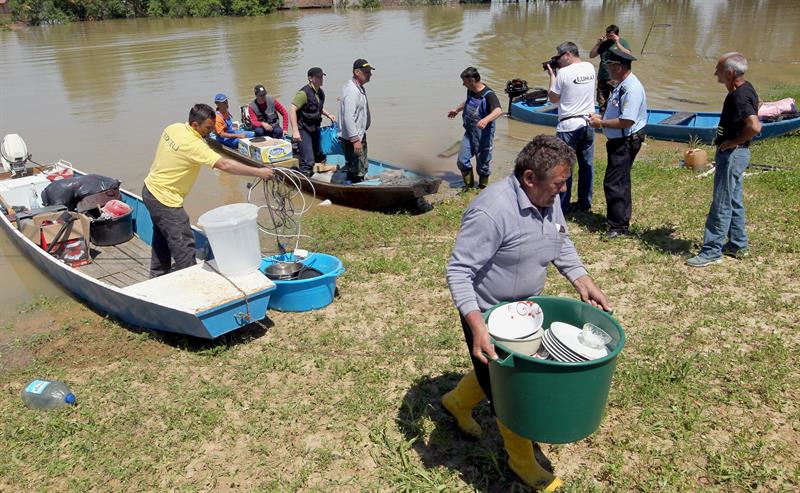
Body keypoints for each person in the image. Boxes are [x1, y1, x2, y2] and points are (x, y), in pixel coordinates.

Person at [444, 135, 610, 491]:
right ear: (530, 178)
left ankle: (456, 402)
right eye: (559, 183)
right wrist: (478, 327)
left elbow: (560, 240)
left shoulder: (547, 199)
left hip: (528, 310)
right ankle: (521, 461)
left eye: (566, 182)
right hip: (489, 314)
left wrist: (583, 280)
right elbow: (459, 271)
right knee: (511, 391)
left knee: (497, 374)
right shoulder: (491, 211)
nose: (564, 191)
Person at [143, 104, 275, 278]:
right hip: (165, 199)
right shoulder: (195, 145)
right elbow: (224, 164)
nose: (211, 132)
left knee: (161, 237)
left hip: (149, 190)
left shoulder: (173, 128)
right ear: (195, 125)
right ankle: (193, 285)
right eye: (207, 128)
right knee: (183, 244)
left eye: (213, 127)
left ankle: (157, 276)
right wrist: (259, 172)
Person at [687, 53, 761, 267]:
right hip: (737, 154)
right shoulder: (745, 89)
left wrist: (734, 142)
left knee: (721, 202)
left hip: (733, 154)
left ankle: (711, 250)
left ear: (729, 73)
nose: (715, 73)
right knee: (733, 198)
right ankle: (738, 244)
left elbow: (755, 126)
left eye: (718, 69)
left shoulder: (739, 96)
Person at [588, 46, 647, 240]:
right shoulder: (622, 84)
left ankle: (618, 226)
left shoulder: (631, 88)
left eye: (610, 65)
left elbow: (627, 121)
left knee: (613, 182)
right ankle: (619, 220)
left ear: (619, 67)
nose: (608, 68)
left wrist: (601, 123)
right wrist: (601, 117)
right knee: (620, 181)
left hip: (625, 141)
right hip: (619, 140)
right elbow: (618, 111)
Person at [547, 42, 597, 213]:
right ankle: (585, 203)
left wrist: (552, 76)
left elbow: (553, 98)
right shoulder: (590, 67)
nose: (558, 61)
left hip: (568, 126)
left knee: (564, 166)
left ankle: (563, 206)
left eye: (559, 57)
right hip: (588, 123)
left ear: (567, 55)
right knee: (586, 165)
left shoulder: (564, 73)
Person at [447, 67, 503, 191]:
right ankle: (469, 186)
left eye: (465, 81)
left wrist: (486, 119)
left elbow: (498, 110)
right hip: (470, 132)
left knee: (482, 166)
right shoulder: (471, 91)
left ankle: (482, 189)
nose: (463, 84)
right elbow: (468, 101)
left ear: (472, 80)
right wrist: (457, 109)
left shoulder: (489, 95)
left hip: (484, 136)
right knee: (462, 160)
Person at [289, 67, 337, 177]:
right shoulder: (303, 93)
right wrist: (295, 131)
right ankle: (303, 176)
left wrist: (328, 114)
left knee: (320, 155)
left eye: (322, 77)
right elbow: (292, 109)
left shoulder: (320, 93)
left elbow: (317, 107)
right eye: (318, 77)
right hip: (303, 129)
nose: (321, 79)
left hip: (315, 128)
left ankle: (321, 174)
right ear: (310, 78)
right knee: (308, 161)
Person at [339, 59, 374, 183]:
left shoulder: (358, 88)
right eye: (366, 72)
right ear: (357, 72)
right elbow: (348, 117)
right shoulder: (352, 90)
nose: (370, 74)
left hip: (359, 134)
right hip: (352, 138)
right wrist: (355, 140)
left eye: (369, 72)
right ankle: (354, 187)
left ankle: (358, 181)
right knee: (356, 169)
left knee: (362, 166)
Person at [589, 24, 632, 113]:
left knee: (619, 102)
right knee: (602, 103)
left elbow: (629, 55)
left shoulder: (622, 42)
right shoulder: (603, 43)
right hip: (603, 77)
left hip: (616, 78)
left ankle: (619, 121)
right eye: (607, 35)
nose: (609, 37)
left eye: (611, 36)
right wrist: (598, 43)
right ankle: (602, 122)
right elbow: (591, 55)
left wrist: (617, 43)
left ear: (616, 34)